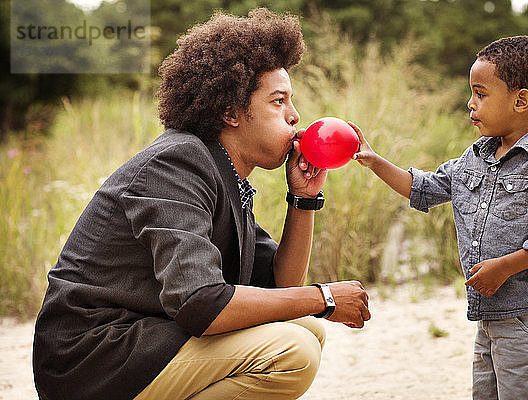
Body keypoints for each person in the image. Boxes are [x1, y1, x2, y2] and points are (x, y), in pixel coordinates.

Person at [33, 9, 370, 400]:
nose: (295, 116)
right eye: (279, 101)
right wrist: (325, 298)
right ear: (230, 111)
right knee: (293, 350)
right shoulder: (178, 163)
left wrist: (302, 199)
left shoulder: (223, 172)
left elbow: (282, 286)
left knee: (305, 327)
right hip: (93, 360)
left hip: (140, 340)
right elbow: (200, 303)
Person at [352, 35, 528, 399]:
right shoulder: (474, 157)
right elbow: (424, 188)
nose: (470, 103)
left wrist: (505, 266)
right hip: (489, 316)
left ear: (521, 100)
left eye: (480, 93)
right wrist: (375, 160)